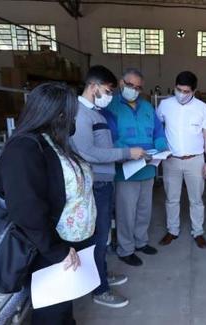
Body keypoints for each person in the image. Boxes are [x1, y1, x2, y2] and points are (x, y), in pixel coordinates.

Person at [0, 83, 96, 325]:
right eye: (70, 114)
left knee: (62, 306)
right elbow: (26, 211)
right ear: (57, 115)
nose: (73, 120)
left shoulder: (51, 141)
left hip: (64, 244)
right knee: (51, 311)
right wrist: (57, 250)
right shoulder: (24, 149)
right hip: (46, 247)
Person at [70, 66, 146, 308]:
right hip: (94, 184)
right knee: (98, 237)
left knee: (101, 236)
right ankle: (100, 289)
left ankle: (99, 274)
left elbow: (101, 149)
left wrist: (127, 156)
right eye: (108, 90)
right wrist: (127, 152)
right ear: (94, 86)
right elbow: (87, 152)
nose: (110, 95)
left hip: (104, 181)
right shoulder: (81, 114)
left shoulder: (95, 112)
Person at [103, 68, 167, 266]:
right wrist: (129, 153)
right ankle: (125, 249)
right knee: (126, 213)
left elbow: (158, 131)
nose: (134, 90)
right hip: (126, 170)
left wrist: (162, 148)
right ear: (121, 83)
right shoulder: (110, 107)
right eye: (130, 86)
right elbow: (109, 139)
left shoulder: (147, 107)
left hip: (148, 167)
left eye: (138, 87)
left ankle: (141, 242)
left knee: (144, 210)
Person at [157, 71, 206, 249]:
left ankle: (198, 232)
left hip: (195, 160)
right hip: (171, 160)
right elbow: (156, 129)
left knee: (196, 199)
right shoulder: (164, 105)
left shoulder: (203, 108)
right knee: (171, 198)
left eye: (186, 91)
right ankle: (172, 230)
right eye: (178, 89)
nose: (181, 94)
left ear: (194, 91)